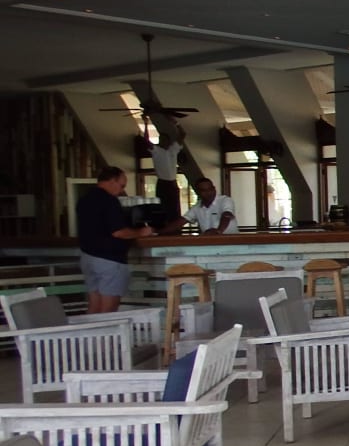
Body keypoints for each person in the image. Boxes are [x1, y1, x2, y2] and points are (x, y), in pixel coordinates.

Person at [77, 166, 153, 313]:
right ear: (112, 181)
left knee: (94, 307)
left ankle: (90, 329)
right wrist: (141, 232)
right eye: (122, 185)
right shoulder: (109, 201)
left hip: (87, 257)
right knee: (108, 310)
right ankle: (105, 330)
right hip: (109, 260)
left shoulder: (84, 199)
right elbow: (118, 232)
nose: (122, 190)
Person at [167, 177, 238, 235]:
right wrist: (160, 233)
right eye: (204, 190)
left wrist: (218, 231)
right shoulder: (196, 207)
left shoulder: (225, 200)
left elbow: (227, 215)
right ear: (198, 192)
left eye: (210, 189)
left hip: (230, 243)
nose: (208, 193)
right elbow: (181, 222)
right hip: (208, 244)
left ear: (214, 189)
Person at [149, 123, 185, 223]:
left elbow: (183, 134)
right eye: (161, 139)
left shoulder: (173, 149)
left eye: (165, 140)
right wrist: (146, 124)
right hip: (163, 183)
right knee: (163, 208)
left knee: (175, 208)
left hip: (173, 183)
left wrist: (175, 122)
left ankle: (175, 227)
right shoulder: (156, 150)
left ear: (169, 141)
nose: (164, 141)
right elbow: (146, 142)